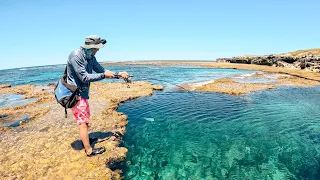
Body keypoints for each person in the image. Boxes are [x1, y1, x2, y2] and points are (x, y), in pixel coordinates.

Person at [66, 35, 129, 156]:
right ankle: (89, 150)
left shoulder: (91, 57)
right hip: (75, 94)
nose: (98, 50)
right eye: (97, 48)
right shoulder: (76, 55)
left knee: (85, 120)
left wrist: (118, 74)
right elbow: (84, 77)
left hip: (83, 93)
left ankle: (86, 141)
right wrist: (104, 76)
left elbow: (101, 70)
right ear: (90, 47)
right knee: (83, 122)